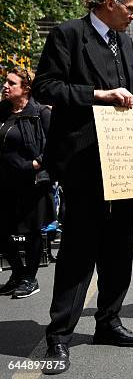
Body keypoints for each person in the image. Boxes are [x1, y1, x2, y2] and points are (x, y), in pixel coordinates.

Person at [31, 0, 133, 374]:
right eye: (130, 7)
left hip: (124, 160)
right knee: (79, 251)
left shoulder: (126, 41)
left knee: (120, 248)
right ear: (107, 3)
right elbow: (46, 87)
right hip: (83, 160)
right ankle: (59, 337)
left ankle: (108, 322)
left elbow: (128, 90)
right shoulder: (68, 34)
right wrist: (99, 94)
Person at [0, 68, 54, 299]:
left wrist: (36, 163)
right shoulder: (1, 112)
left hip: (31, 183)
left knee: (32, 232)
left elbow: (56, 144)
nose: (5, 85)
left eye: (11, 83)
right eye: (5, 82)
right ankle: (18, 273)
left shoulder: (40, 112)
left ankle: (30, 278)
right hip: (4, 182)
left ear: (26, 89)